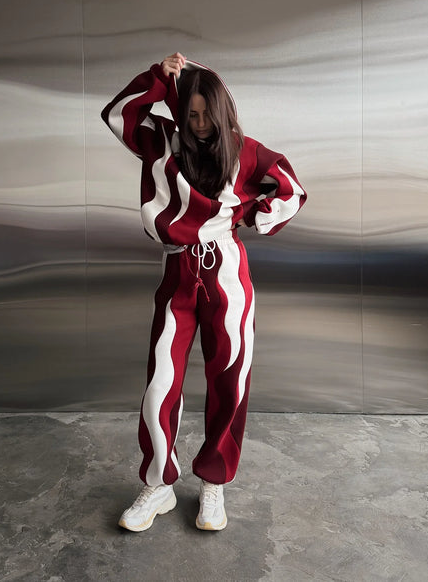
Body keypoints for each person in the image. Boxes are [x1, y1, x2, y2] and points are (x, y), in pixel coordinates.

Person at [101, 52, 307, 532]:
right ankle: (159, 484)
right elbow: (118, 114)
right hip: (178, 272)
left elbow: (291, 190)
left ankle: (214, 482)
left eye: (206, 115)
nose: (198, 125)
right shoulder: (161, 142)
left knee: (230, 380)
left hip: (227, 272)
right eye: (190, 114)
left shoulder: (244, 151)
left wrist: (252, 214)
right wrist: (158, 77)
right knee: (161, 383)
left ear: (222, 111)